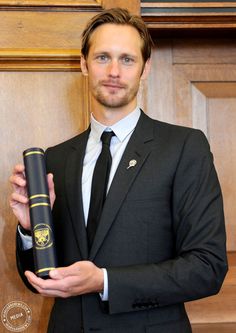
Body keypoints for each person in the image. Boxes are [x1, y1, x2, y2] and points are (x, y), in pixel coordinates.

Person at [9, 7, 228, 333]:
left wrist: (104, 281)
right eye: (102, 58)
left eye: (127, 59)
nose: (114, 71)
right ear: (84, 64)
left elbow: (206, 268)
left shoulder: (184, 147)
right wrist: (30, 232)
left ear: (145, 68)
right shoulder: (53, 159)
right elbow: (41, 279)